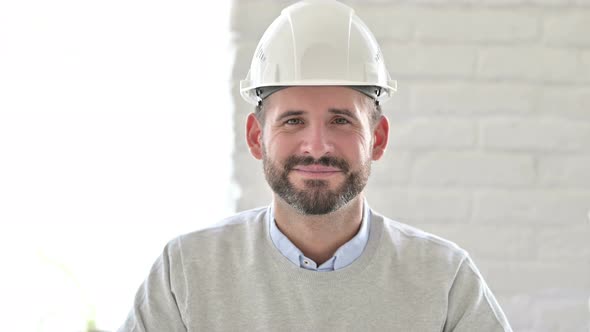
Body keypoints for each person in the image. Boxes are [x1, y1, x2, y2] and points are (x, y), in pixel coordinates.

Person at [118, 0, 513, 331]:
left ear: (378, 138)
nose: (317, 146)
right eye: (293, 121)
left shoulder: (444, 279)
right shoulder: (187, 271)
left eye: (341, 121)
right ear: (257, 137)